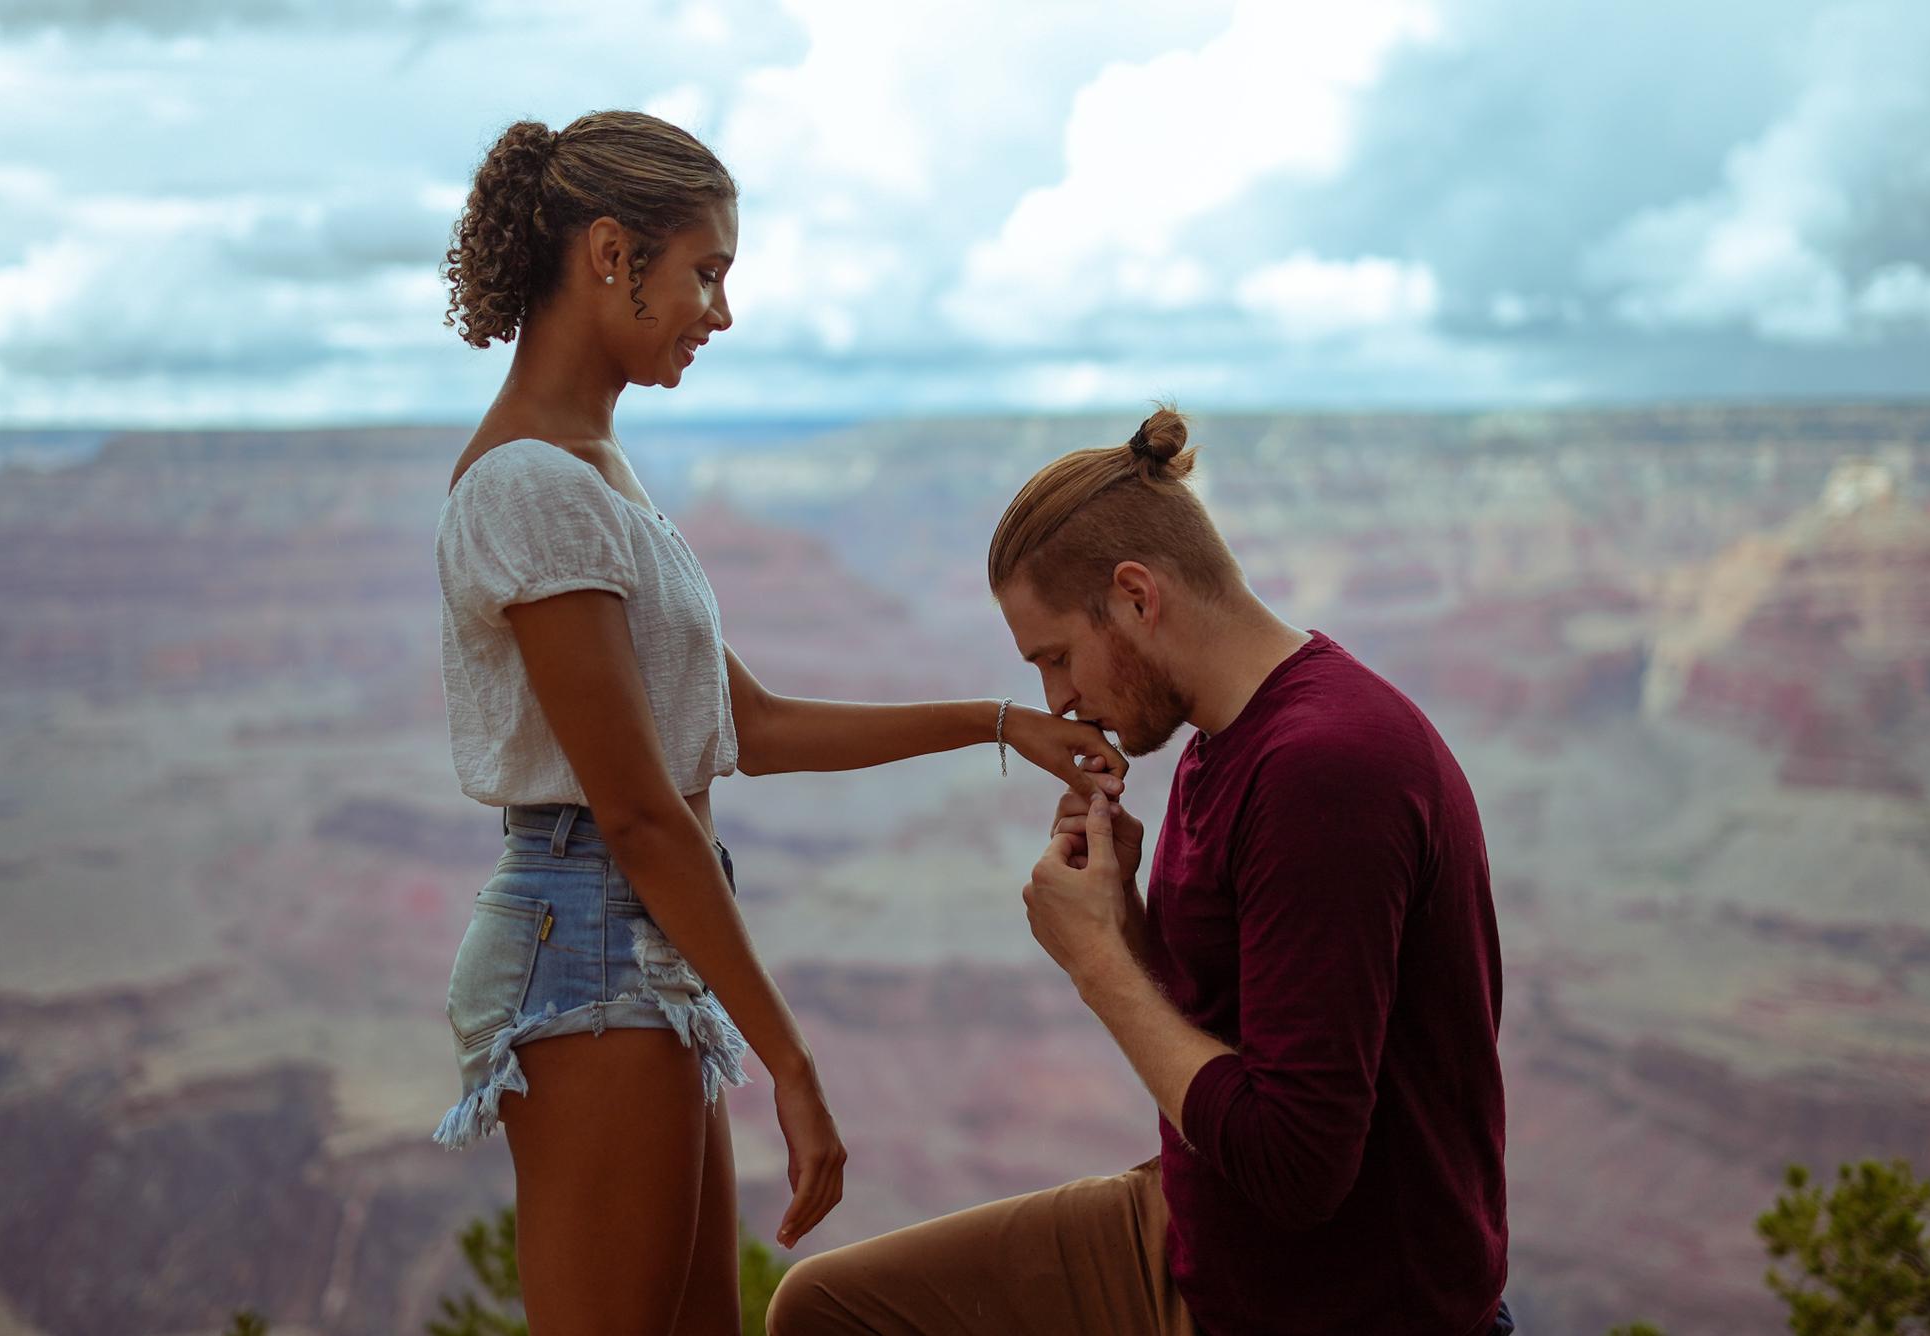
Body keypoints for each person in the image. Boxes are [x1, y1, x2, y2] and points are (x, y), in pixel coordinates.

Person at [428, 109, 1127, 1336]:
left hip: (634, 943)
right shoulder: (530, 485)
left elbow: (743, 720)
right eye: (706, 272)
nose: (720, 312)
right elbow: (641, 812)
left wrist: (1001, 723)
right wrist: (791, 1069)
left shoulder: (593, 472)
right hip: (590, 941)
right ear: (610, 255)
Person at [767, 407, 1511, 1335]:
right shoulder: (1221, 738)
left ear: (1135, 595)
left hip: (1334, 1301)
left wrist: (1098, 966)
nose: (1059, 699)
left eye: (1056, 657)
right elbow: (1233, 1032)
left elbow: (1297, 1166)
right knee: (825, 1309)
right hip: (1209, 1239)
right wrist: (1124, 919)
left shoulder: (1324, 771)